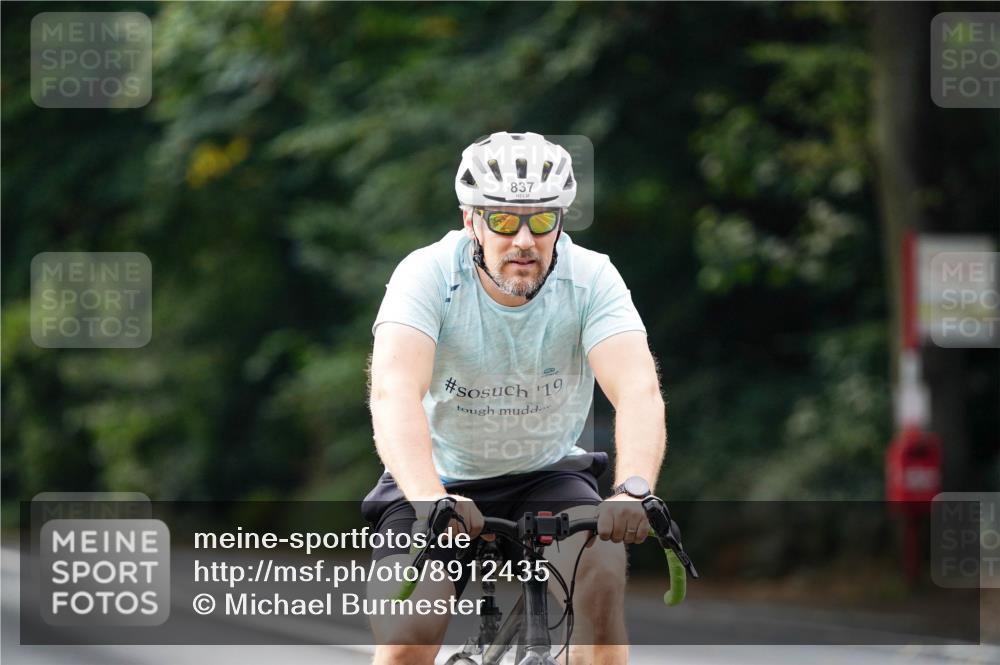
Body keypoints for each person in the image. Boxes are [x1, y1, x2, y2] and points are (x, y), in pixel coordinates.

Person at [363, 131, 666, 665]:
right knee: (409, 632)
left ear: (560, 223)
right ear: (470, 221)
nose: (523, 239)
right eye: (503, 220)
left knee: (600, 588)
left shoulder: (592, 278)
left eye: (541, 220)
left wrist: (633, 489)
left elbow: (638, 390)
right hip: (436, 478)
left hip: (546, 473)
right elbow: (393, 392)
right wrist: (428, 496)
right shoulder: (427, 275)